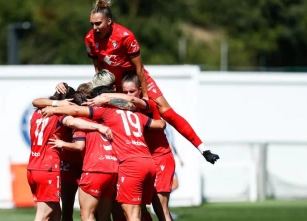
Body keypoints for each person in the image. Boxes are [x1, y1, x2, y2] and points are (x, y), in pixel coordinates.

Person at [57, 0, 219, 164]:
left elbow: (139, 68)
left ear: (109, 21)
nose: (94, 28)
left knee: (166, 112)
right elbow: (98, 69)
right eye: (91, 24)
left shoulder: (125, 36)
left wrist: (146, 97)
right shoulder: (90, 39)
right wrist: (104, 88)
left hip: (136, 78)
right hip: (115, 83)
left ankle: (203, 148)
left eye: (98, 23)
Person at [41, 86, 166, 221]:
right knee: (130, 215)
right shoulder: (134, 114)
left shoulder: (103, 114)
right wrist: (155, 107)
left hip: (107, 167)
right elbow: (161, 124)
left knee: (88, 216)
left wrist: (54, 109)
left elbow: (76, 116)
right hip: (135, 165)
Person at [27, 85, 112, 221]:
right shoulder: (61, 116)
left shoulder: (37, 114)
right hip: (50, 168)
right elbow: (74, 124)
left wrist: (57, 101)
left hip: (35, 167)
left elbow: (36, 101)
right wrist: (99, 127)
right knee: (44, 217)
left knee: (56, 214)